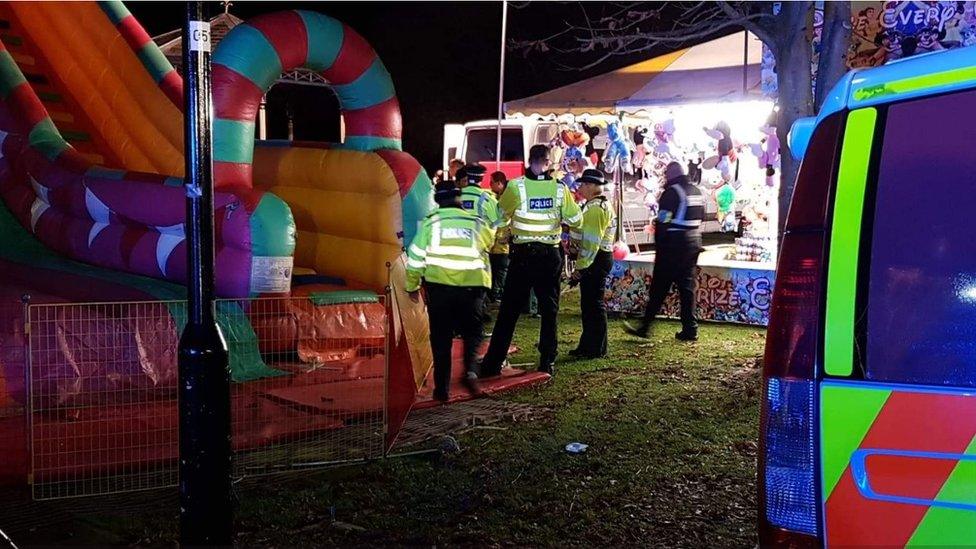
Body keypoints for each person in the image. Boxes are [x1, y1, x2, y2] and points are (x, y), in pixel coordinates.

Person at [480, 144, 583, 376]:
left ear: (529, 160)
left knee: (509, 311)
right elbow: (576, 219)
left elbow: (498, 218)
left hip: (523, 256)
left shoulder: (515, 187)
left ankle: (492, 364)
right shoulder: (560, 189)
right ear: (548, 163)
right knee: (549, 311)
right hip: (550, 256)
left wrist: (507, 230)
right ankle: (547, 361)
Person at [406, 181, 493, 401]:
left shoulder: (430, 223)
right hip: (472, 288)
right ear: (459, 198)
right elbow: (489, 243)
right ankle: (471, 371)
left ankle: (442, 389)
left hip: (440, 290)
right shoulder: (476, 222)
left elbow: (415, 257)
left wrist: (412, 286)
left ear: (437, 200)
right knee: (473, 332)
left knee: (441, 338)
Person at [625, 161, 704, 341]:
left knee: (659, 287)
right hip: (693, 242)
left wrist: (659, 248)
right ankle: (690, 329)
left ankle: (645, 327)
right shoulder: (696, 191)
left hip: (673, 245)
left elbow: (663, 222)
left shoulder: (672, 193)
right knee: (687, 288)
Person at [569, 169, 616, 358]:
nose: (580, 188)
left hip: (595, 260)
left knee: (593, 306)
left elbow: (590, 243)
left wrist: (580, 269)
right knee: (590, 305)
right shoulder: (596, 205)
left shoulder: (595, 208)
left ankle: (594, 348)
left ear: (590, 186)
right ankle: (589, 346)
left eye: (582, 184)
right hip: (598, 259)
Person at [487, 171, 511, 304]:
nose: (490, 186)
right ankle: (496, 294)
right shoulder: (502, 197)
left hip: (501, 245)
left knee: (500, 271)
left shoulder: (505, 199)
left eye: (492, 183)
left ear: (499, 183)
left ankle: (497, 295)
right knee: (498, 271)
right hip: (497, 244)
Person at [456, 163, 501, 228]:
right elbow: (499, 222)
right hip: (480, 236)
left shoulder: (454, 196)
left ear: (467, 178)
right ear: (481, 179)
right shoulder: (487, 198)